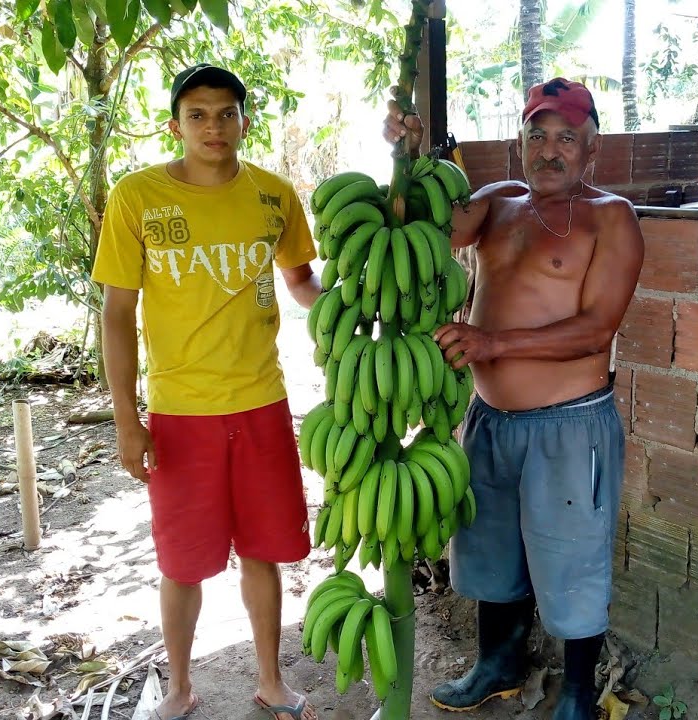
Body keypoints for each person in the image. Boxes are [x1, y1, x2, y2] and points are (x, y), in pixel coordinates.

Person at [384, 78, 645, 720]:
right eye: (538, 134)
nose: (549, 150)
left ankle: (580, 691)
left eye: (566, 138)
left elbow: (596, 329)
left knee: (571, 557)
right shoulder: (498, 202)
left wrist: (491, 342)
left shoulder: (611, 216)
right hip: (490, 422)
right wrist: (412, 160)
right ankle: (497, 664)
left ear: (591, 147)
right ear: (518, 142)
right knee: (490, 547)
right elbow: (420, 230)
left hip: (569, 427)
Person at [92, 63, 322, 720]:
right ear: (175, 125)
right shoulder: (137, 198)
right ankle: (182, 687)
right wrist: (125, 419)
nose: (213, 126)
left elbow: (301, 282)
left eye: (226, 113)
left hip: (261, 403)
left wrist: (345, 303)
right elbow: (116, 314)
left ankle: (271, 680)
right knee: (183, 562)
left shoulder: (275, 196)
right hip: (178, 412)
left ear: (245, 122)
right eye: (198, 114)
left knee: (262, 551)